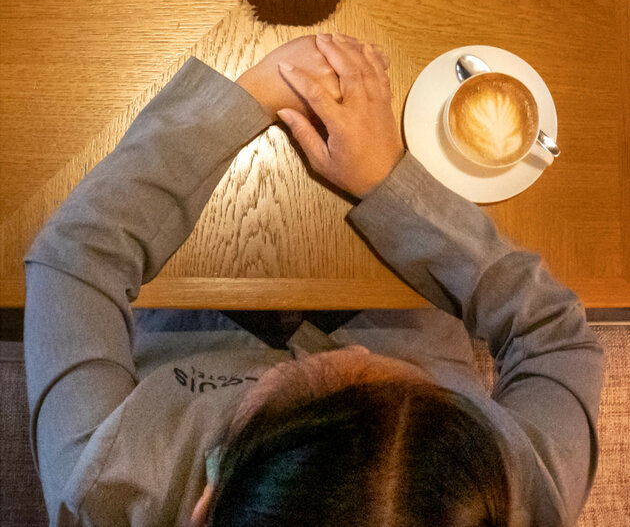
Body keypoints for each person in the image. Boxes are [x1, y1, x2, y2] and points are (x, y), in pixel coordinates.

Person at [23, 33, 604, 527]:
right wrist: (393, 186)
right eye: (412, 386)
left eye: (293, 382)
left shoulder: (104, 493)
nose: (349, 348)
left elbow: (74, 259)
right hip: (404, 301)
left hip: (190, 317)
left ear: (206, 506)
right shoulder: (520, 493)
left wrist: (246, 100)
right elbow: (553, 332)